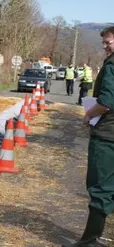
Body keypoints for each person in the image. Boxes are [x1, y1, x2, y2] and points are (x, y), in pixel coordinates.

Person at [62, 26, 114, 247]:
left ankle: (89, 242)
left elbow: (106, 102)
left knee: (100, 187)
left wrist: (88, 115)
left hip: (108, 137)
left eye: (108, 42)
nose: (105, 47)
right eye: (103, 43)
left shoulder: (111, 65)